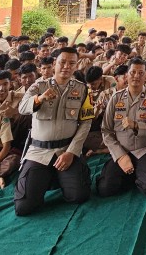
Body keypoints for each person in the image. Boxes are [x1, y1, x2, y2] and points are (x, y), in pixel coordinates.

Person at [13, 47, 93, 216]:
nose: (66, 66)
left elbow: (86, 123)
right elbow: (22, 108)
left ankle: (58, 176)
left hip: (66, 150)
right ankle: (47, 176)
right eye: (62, 62)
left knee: (78, 196)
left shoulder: (83, 90)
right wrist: (40, 99)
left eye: (71, 63)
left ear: (76, 65)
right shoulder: (39, 86)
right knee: (24, 207)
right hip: (39, 152)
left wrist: (71, 152)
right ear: (54, 63)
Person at [98, 59, 146, 197]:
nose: (136, 76)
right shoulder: (116, 98)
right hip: (121, 149)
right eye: (132, 72)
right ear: (126, 75)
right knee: (105, 189)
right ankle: (130, 172)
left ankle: (137, 173)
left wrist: (136, 125)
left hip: (144, 150)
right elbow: (106, 130)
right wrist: (121, 156)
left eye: (141, 73)